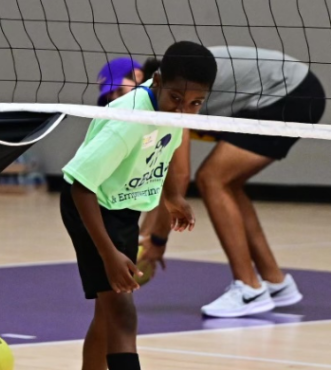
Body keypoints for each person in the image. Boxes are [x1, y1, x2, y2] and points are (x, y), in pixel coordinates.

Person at [58, 41, 216, 370]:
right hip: (90, 206)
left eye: (196, 103)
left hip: (122, 208)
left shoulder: (173, 112)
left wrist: (172, 199)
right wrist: (108, 253)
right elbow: (79, 184)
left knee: (107, 314)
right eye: (177, 99)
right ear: (158, 83)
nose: (184, 109)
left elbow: (158, 153)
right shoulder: (128, 119)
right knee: (122, 312)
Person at [139, 47, 325, 319]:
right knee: (227, 183)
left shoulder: (174, 94)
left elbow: (178, 176)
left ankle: (249, 288)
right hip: (295, 89)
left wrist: (155, 239)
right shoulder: (178, 79)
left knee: (212, 179)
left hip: (290, 94)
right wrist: (148, 233)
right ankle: (275, 281)